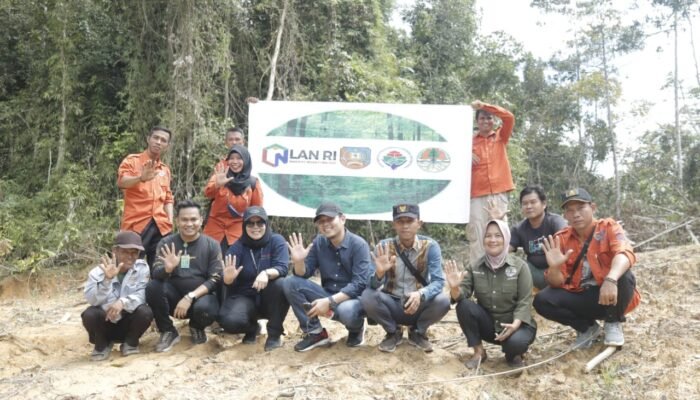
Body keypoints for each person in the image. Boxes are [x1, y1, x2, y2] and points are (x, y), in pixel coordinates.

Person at [534, 188, 640, 349]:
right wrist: (554, 268)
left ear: (593, 208)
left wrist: (610, 279)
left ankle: (613, 322)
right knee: (542, 300)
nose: (575, 214)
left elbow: (625, 253)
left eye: (581, 208)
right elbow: (557, 283)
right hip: (583, 296)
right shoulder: (561, 239)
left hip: (612, 295)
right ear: (565, 216)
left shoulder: (609, 227)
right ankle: (587, 328)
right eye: (570, 210)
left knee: (624, 274)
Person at [446, 219, 536, 369]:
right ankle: (479, 352)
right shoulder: (475, 266)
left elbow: (525, 301)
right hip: (490, 327)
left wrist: (515, 325)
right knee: (464, 306)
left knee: (515, 344)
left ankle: (513, 354)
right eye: (488, 236)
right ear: (483, 239)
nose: (492, 240)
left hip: (516, 326)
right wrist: (454, 288)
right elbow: (461, 295)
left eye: (498, 235)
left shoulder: (520, 266)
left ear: (506, 238)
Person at [360, 204, 450, 353]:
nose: (405, 226)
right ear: (394, 224)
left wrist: (421, 294)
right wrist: (379, 274)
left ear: (419, 223)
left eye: (410, 221)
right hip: (392, 303)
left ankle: (418, 332)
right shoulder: (383, 246)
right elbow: (371, 285)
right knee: (367, 296)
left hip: (418, 304)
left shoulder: (430, 246)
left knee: (444, 300)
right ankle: (393, 332)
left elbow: (439, 282)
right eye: (400, 221)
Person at [283, 202, 371, 352]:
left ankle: (356, 329)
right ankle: (315, 333)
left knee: (346, 311)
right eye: (321, 221)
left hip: (352, 300)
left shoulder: (359, 245)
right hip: (327, 294)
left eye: (330, 219)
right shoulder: (319, 242)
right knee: (290, 282)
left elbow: (359, 284)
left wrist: (329, 302)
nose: (325, 224)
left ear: (343, 219)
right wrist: (299, 262)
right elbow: (304, 273)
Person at [146, 200, 222, 352]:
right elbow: (155, 273)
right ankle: (168, 331)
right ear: (177, 221)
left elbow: (216, 278)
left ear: (201, 220)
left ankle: (196, 327)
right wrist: (167, 269)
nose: (189, 224)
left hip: (199, 299)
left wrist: (190, 297)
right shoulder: (166, 243)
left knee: (207, 306)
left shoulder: (212, 245)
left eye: (193, 219)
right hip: (173, 299)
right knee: (153, 286)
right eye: (184, 220)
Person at [218, 206, 290, 351]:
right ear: (244, 226)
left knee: (282, 284)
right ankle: (251, 328)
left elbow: (283, 267)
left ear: (266, 224)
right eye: (250, 223)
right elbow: (226, 278)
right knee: (229, 321)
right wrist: (227, 279)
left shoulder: (277, 241)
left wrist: (266, 273)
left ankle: (274, 333)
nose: (255, 227)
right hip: (246, 297)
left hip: (270, 296)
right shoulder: (237, 247)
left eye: (260, 223)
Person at [82, 231, 153, 361]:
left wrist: (123, 302)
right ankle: (102, 345)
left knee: (145, 311)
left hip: (128, 321)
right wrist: (106, 281)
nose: (131, 257)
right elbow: (92, 300)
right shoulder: (97, 272)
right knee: (90, 314)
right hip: (106, 322)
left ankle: (130, 343)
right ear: (115, 251)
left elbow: (142, 294)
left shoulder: (142, 267)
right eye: (126, 252)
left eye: (135, 252)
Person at [117, 126, 174, 268]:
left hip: (161, 226)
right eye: (156, 138)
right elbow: (122, 182)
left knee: (160, 269)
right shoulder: (132, 161)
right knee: (129, 267)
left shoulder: (165, 170)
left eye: (163, 140)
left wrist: (170, 222)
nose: (158, 142)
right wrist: (140, 178)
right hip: (136, 225)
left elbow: (168, 198)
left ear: (167, 145)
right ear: (148, 139)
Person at [468, 101, 515, 267]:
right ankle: (477, 276)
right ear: (477, 121)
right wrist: (464, 154)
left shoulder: (501, 137)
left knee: (500, 233)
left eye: (489, 118)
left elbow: (509, 117)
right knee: (477, 235)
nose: (486, 121)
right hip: (476, 195)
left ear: (493, 121)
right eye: (482, 118)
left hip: (499, 193)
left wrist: (485, 105)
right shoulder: (468, 142)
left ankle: (502, 271)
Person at [203, 145, 263, 255]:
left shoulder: (253, 183)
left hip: (238, 232)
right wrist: (217, 184)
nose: (235, 162)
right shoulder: (220, 176)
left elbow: (257, 211)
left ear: (246, 160)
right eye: (231, 158)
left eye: (239, 158)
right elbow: (207, 193)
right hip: (214, 230)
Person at [510, 185, 568, 289]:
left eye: (533, 202)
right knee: (515, 262)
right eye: (524, 203)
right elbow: (503, 250)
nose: (528, 206)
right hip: (534, 272)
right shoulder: (519, 228)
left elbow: (567, 244)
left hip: (557, 271)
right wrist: (496, 221)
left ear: (544, 204)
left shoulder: (555, 222)